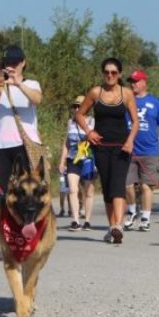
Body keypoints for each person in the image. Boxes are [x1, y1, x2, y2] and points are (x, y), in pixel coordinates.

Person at [76, 58, 139, 244]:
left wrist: (130, 141)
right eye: (106, 72)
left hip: (121, 147)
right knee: (107, 186)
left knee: (118, 183)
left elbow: (135, 121)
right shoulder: (96, 92)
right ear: (103, 73)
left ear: (119, 74)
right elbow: (79, 113)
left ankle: (118, 225)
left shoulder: (126, 93)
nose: (110, 76)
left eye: (113, 72)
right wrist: (88, 132)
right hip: (101, 147)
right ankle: (112, 228)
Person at [0, 45, 42, 224]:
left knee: (26, 189)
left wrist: (18, 83)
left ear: (23, 63)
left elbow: (37, 99)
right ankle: (2, 222)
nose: (11, 67)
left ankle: (27, 222)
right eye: (8, 63)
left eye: (15, 63)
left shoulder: (31, 84)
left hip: (25, 145)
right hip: (1, 145)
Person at [123, 69, 159, 232]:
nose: (133, 84)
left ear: (144, 82)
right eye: (131, 81)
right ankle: (131, 212)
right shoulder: (126, 101)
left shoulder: (156, 103)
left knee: (146, 186)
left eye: (136, 81)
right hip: (130, 150)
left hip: (150, 150)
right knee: (128, 184)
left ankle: (145, 217)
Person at [58, 95, 95, 231]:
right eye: (74, 106)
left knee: (89, 190)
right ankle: (75, 220)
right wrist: (62, 162)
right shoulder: (70, 123)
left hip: (87, 159)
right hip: (73, 159)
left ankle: (87, 220)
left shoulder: (92, 122)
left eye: (79, 106)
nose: (76, 108)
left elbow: (97, 141)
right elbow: (66, 143)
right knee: (72, 189)